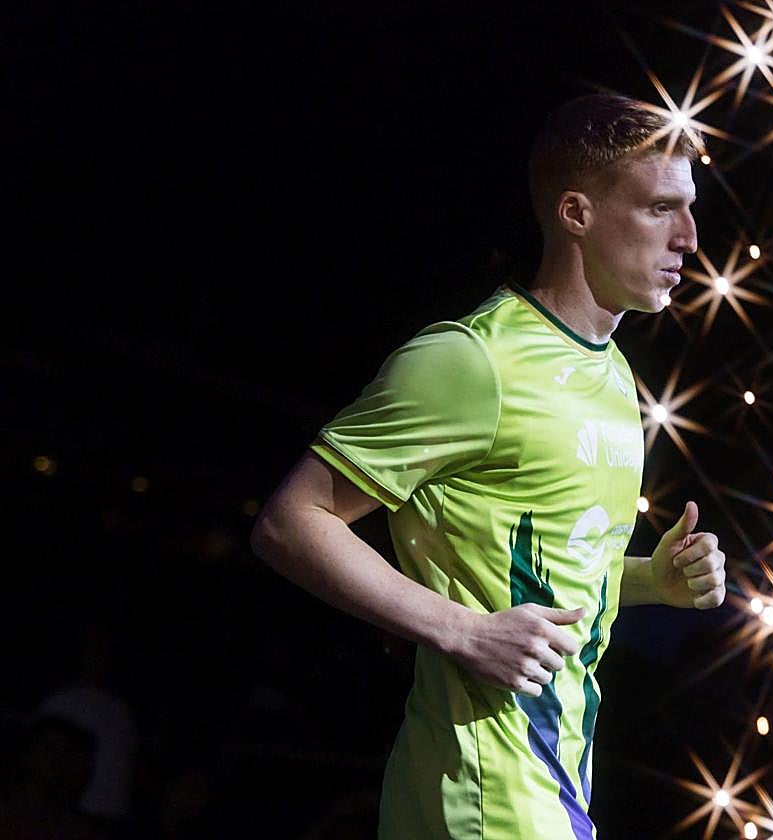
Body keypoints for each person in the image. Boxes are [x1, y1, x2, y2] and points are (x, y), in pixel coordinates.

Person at [250, 93, 727, 840]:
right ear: (577, 213)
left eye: (689, 208)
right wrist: (462, 631)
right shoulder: (474, 360)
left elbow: (536, 574)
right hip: (481, 796)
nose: (691, 237)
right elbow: (289, 523)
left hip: (550, 790)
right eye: (661, 208)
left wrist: (648, 582)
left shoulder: (613, 376)